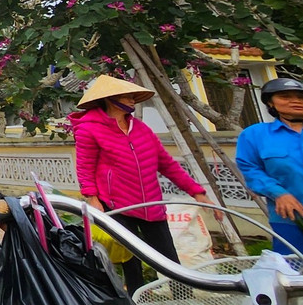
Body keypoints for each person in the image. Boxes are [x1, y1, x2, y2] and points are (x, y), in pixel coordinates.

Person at [72, 75, 210, 291]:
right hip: (116, 204)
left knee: (169, 258)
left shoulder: (142, 129)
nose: (132, 100)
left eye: (132, 97)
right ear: (110, 99)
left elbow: (167, 164)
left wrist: (196, 191)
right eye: (126, 96)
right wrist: (91, 197)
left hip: (150, 204)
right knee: (131, 261)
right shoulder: (89, 129)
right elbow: (85, 166)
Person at [235, 77, 303, 253]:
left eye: (302, 97)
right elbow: (250, 168)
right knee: (297, 272)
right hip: (291, 220)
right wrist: (279, 194)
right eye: (285, 96)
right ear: (271, 103)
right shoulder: (255, 134)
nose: (296, 101)